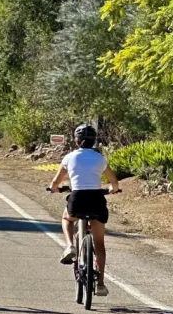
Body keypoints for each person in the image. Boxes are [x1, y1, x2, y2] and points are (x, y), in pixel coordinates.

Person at [46, 123, 120, 296]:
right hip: (96, 200)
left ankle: (70, 246)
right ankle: (100, 284)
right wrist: (113, 189)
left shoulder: (69, 157)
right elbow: (114, 182)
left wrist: (54, 188)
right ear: (94, 141)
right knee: (99, 243)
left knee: (66, 218)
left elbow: (56, 183)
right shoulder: (99, 158)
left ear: (77, 141)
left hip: (77, 198)